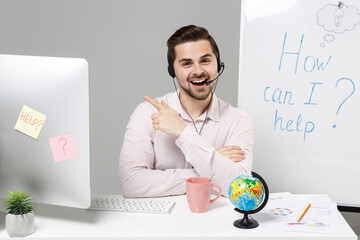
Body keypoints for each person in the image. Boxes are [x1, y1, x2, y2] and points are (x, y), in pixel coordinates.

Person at [119, 25, 253, 198]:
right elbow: (131, 184)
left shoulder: (238, 120)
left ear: (217, 64)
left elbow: (240, 187)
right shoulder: (147, 113)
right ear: (172, 71)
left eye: (205, 60)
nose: (198, 71)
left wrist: (182, 133)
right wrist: (212, 166)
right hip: (158, 223)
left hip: (213, 221)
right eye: (187, 63)